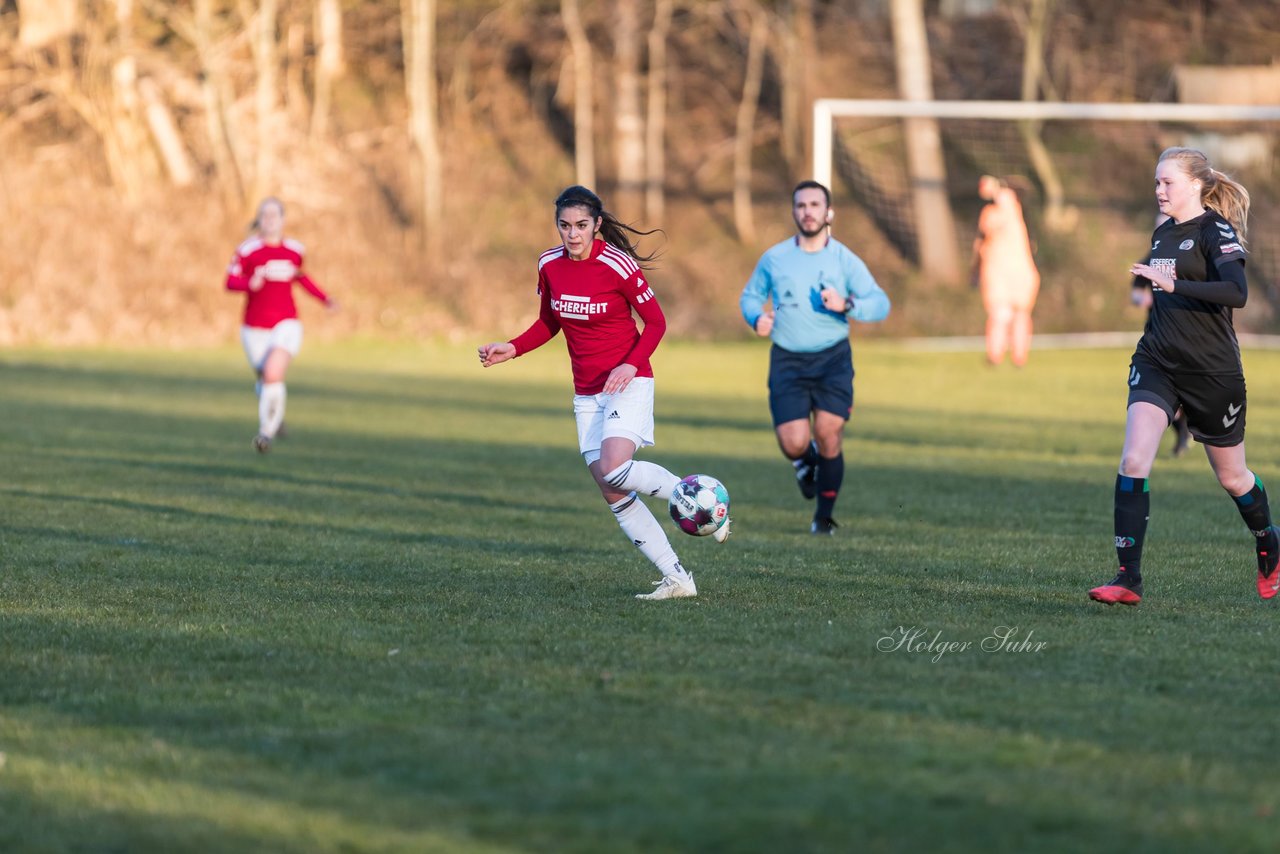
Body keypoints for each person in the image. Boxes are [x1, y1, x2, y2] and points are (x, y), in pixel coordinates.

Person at [478, 185, 728, 602]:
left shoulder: (618, 265)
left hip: (629, 380)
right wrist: (512, 347)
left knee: (615, 467)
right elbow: (548, 322)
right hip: (587, 392)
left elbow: (657, 323)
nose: (572, 234)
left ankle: (705, 501)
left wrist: (629, 364)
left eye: (580, 225)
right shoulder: (549, 265)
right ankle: (677, 579)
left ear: (596, 224)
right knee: (613, 490)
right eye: (564, 225)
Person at [1089, 146, 1278, 605]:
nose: (1159, 190)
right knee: (1134, 460)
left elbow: (1237, 292)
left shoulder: (1216, 230)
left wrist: (1174, 284)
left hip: (1212, 372)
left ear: (1195, 184)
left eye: (1167, 182)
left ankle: (1269, 541)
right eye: (1156, 182)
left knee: (1233, 479)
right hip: (1157, 361)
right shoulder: (1163, 234)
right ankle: (1127, 578)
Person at [739, 180, 890, 535]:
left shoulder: (844, 259)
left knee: (828, 432)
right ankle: (804, 462)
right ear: (794, 212)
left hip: (832, 359)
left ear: (828, 212)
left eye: (815, 205)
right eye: (801, 205)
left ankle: (823, 517)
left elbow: (880, 303)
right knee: (793, 443)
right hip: (787, 361)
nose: (808, 211)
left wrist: (847, 304)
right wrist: (755, 318)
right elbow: (749, 297)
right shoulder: (775, 258)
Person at [225, 197, 336, 453]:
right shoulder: (247, 250)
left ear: (283, 220)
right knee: (266, 381)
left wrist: (325, 299)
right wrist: (247, 284)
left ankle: (265, 434)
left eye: (275, 214)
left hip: (286, 324)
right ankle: (276, 415)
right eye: (265, 214)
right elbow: (229, 282)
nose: (270, 219)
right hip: (254, 328)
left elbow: (302, 278)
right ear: (259, 219)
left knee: (274, 373)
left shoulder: (295, 250)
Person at [971, 175, 1040, 367]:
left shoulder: (1010, 211)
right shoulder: (999, 214)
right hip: (1006, 272)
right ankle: (1001, 355)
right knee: (1007, 314)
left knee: (1013, 314)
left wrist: (993, 186)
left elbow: (1003, 200)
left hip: (1009, 271)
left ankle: (1009, 356)